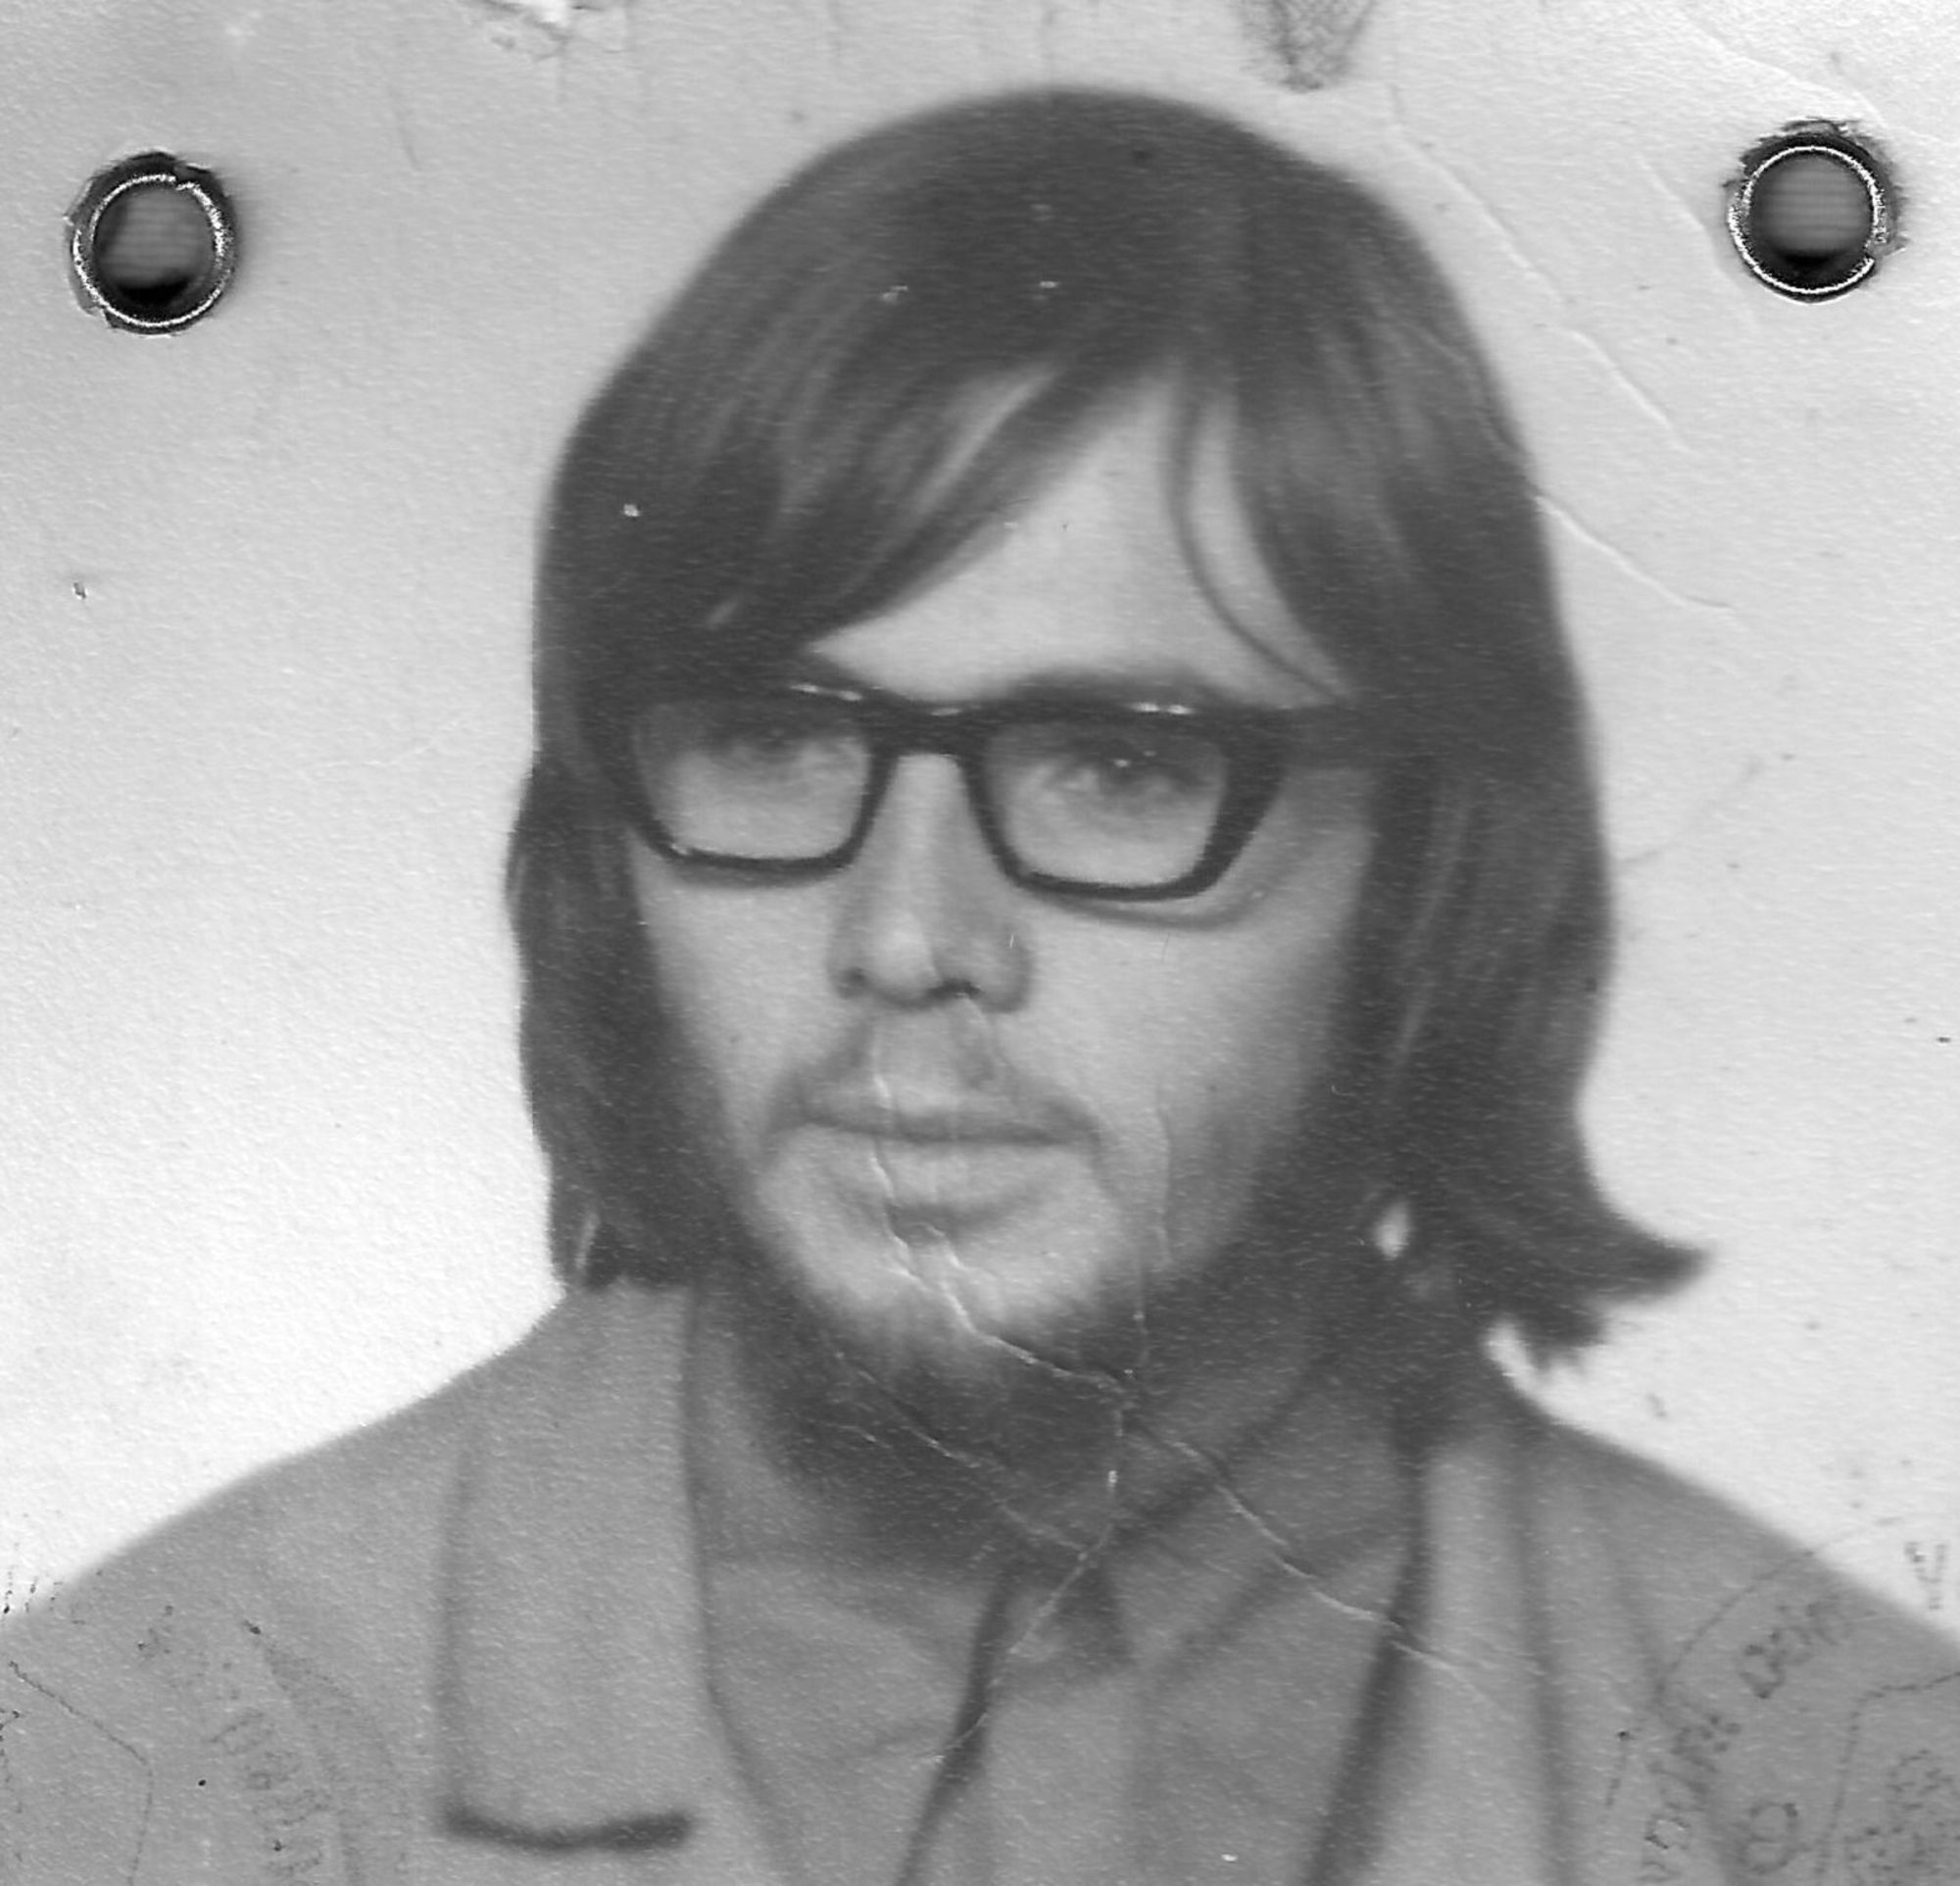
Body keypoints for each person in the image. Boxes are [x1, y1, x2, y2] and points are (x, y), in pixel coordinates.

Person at [3, 86, 1955, 1886]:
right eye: (774, 739)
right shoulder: (119, 1769)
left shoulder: (1865, 1790)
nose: (909, 933)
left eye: (1120, 763)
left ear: (1433, 870)